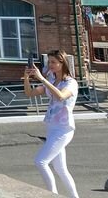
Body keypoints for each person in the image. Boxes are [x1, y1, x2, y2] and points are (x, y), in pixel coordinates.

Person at [23, 50, 80, 198]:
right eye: (49, 62)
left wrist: (42, 78)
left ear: (63, 63)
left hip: (63, 129)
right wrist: (27, 77)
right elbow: (29, 93)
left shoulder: (71, 83)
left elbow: (61, 96)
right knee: (61, 169)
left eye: (54, 62)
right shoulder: (52, 80)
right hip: (51, 127)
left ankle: (53, 195)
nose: (51, 65)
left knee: (40, 161)